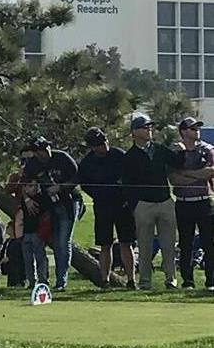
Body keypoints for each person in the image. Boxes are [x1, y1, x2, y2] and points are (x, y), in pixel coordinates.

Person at [121, 113, 184, 290]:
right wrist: (135, 205)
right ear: (134, 132)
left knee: (169, 244)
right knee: (145, 246)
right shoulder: (130, 156)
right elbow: (127, 184)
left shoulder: (159, 149)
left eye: (150, 126)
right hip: (144, 205)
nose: (149, 129)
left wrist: (181, 149)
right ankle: (145, 282)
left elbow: (178, 162)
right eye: (144, 127)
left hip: (165, 201)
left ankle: (171, 279)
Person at [78, 127, 136, 289]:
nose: (103, 146)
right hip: (102, 206)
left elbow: (131, 178)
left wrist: (126, 196)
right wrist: (98, 194)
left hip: (122, 205)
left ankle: (131, 279)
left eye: (104, 142)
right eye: (98, 144)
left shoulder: (119, 155)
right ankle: (105, 280)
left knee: (126, 242)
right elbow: (86, 185)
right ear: (92, 147)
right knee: (105, 244)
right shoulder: (88, 162)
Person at [23, 136, 78, 291]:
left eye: (46, 148)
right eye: (40, 150)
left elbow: (77, 178)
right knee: (49, 241)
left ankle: (61, 281)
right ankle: (42, 279)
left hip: (69, 202)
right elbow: (23, 183)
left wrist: (60, 187)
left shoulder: (62, 158)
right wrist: (27, 198)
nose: (45, 152)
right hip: (48, 206)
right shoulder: (32, 165)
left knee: (63, 242)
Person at [168, 117, 214, 290]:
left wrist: (187, 173)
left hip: (203, 202)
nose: (196, 131)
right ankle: (188, 281)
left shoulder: (207, 149)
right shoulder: (175, 151)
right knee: (186, 244)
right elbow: (174, 178)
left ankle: (211, 281)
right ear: (183, 132)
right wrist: (197, 175)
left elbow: (210, 172)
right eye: (192, 128)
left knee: (208, 243)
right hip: (183, 202)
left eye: (197, 128)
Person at [20, 177, 49, 286]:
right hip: (26, 232)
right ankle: (31, 281)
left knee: (40, 258)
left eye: (33, 186)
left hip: (37, 233)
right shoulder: (25, 200)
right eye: (29, 186)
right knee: (28, 260)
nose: (31, 188)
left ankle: (42, 279)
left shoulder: (41, 198)